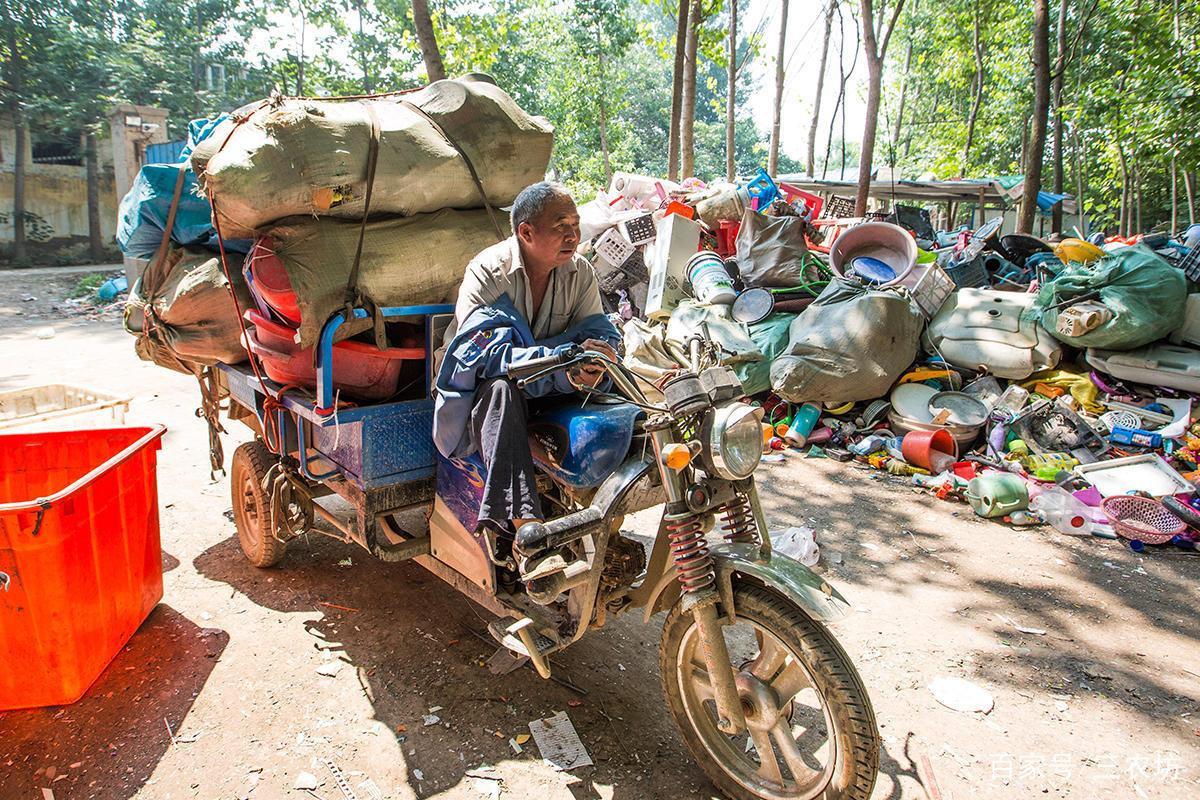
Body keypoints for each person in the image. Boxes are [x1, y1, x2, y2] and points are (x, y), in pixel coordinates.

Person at [433, 182, 621, 532]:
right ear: (526, 232)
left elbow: (600, 335)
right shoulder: (489, 271)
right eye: (561, 226)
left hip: (548, 390)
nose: (573, 235)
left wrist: (594, 363)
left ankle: (608, 509)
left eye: (575, 225)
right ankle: (527, 530)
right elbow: (486, 359)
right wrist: (567, 358)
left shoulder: (580, 273)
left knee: (621, 402)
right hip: (479, 399)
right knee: (502, 389)